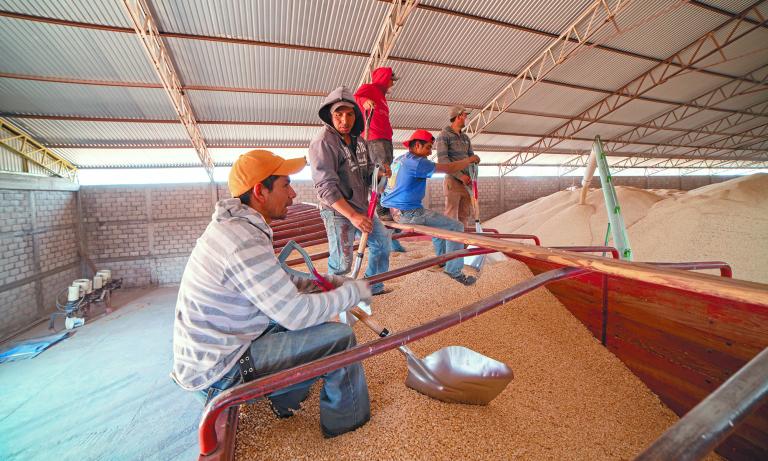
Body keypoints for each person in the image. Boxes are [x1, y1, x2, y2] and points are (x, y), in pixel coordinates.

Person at [171, 149, 372, 438]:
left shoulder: (238, 227)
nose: (292, 194)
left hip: (217, 349)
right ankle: (349, 426)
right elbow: (295, 316)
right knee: (340, 339)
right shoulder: (241, 241)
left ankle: (284, 399)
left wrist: (329, 283)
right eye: (285, 185)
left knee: (303, 324)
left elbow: (278, 281)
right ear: (259, 191)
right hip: (220, 369)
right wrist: (354, 292)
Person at [309, 86, 392, 295]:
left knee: (382, 243)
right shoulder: (323, 143)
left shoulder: (360, 141)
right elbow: (325, 187)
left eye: (349, 114)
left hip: (362, 207)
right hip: (338, 211)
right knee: (342, 262)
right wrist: (353, 216)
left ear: (356, 115)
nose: (345, 121)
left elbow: (365, 170)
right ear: (329, 114)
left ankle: (371, 287)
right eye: (339, 115)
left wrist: (379, 172)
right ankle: (332, 301)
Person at [381, 130, 481, 286]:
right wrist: (470, 160)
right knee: (456, 226)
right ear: (418, 145)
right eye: (428, 147)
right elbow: (449, 168)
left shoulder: (400, 159)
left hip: (390, 211)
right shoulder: (419, 162)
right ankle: (453, 271)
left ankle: (443, 259)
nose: (430, 152)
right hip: (409, 214)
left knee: (438, 227)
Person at [354, 66, 407, 252]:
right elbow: (357, 97)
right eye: (391, 79)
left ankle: (381, 205)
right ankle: (380, 207)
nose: (393, 83)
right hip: (374, 137)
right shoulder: (370, 88)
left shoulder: (383, 96)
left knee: (386, 170)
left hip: (384, 138)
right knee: (381, 171)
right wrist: (366, 102)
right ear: (384, 78)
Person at [436, 106, 478, 228]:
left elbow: (470, 156)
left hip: (466, 182)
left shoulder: (465, 138)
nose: (466, 118)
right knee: (451, 215)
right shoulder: (444, 135)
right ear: (459, 116)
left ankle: (463, 244)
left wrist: (475, 160)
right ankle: (452, 247)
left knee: (464, 215)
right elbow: (443, 161)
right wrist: (460, 176)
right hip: (453, 182)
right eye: (465, 115)